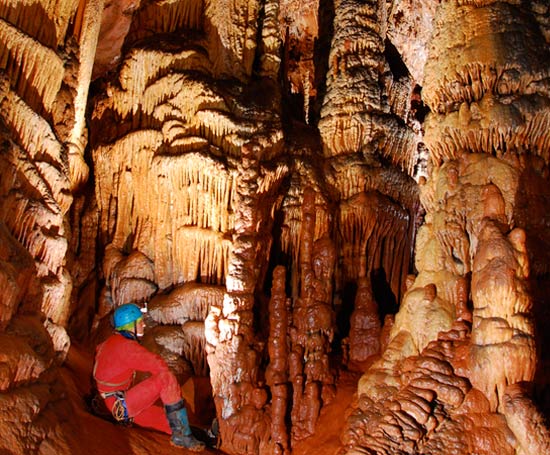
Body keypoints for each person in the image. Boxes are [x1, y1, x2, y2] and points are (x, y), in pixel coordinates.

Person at [93, 303, 205, 451]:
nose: (144, 325)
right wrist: (169, 393)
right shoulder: (126, 347)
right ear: (130, 325)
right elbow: (158, 366)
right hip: (120, 406)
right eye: (140, 322)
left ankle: (203, 435)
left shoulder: (108, 343)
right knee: (166, 378)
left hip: (109, 404)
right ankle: (183, 437)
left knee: (166, 420)